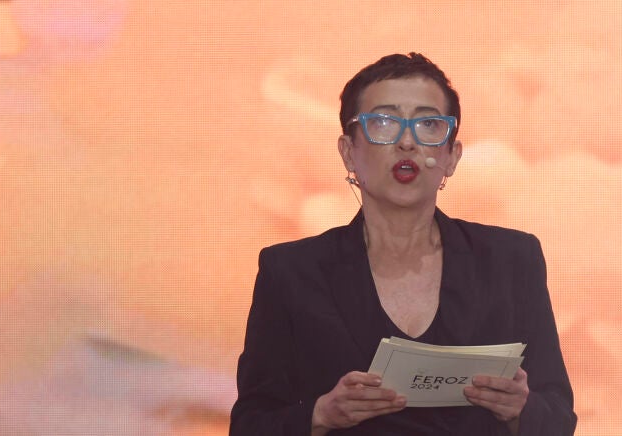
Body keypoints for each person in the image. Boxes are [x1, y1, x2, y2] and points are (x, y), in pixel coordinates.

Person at [229, 52, 576, 435]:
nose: (407, 141)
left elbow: (559, 418)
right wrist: (319, 415)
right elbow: (250, 424)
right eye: (383, 122)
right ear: (348, 152)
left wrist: (520, 410)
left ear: (451, 156)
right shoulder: (290, 272)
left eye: (428, 124)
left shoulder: (512, 261)